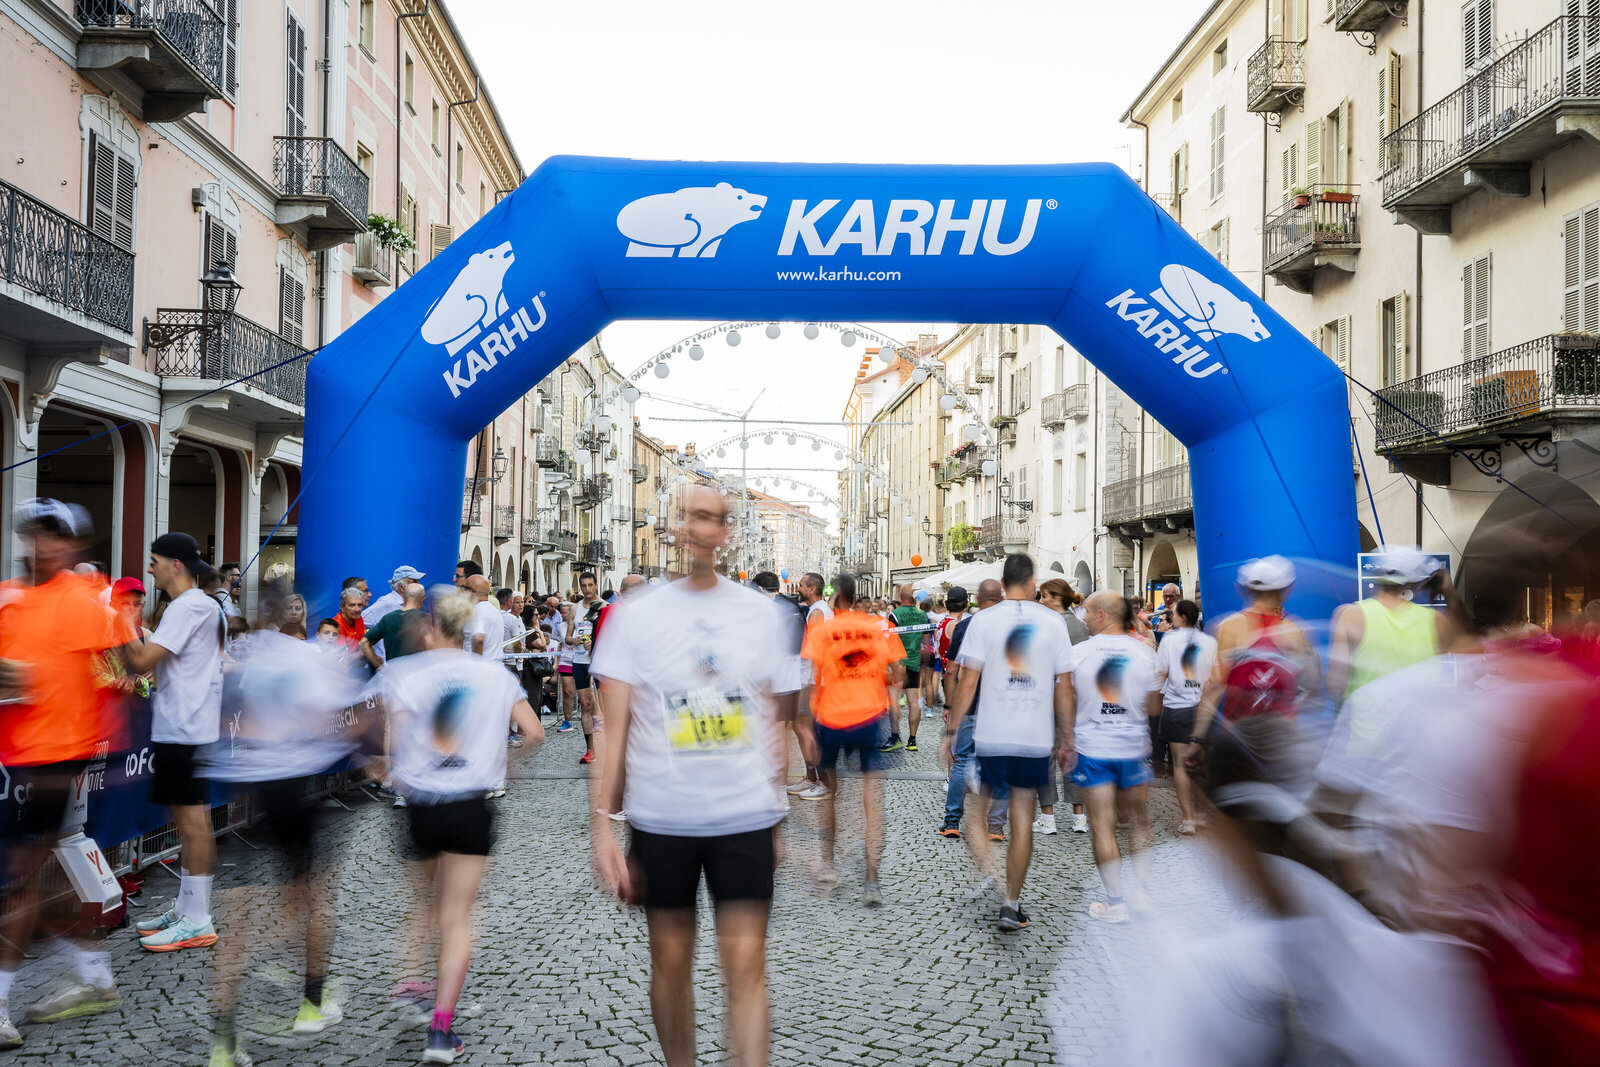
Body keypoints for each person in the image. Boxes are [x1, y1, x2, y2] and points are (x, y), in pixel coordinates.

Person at [592, 486, 793, 1067]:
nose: (696, 528)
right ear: (674, 528)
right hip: (663, 818)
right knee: (671, 965)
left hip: (743, 815)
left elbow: (771, 721)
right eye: (687, 516)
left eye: (708, 518)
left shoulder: (761, 615)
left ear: (725, 532)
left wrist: (776, 813)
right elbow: (613, 731)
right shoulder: (635, 615)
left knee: (746, 966)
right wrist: (602, 827)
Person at [379, 589, 545, 1064]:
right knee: (458, 917)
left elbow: (395, 741)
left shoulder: (405, 673)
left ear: (432, 628)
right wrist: (508, 763)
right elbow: (534, 732)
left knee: (423, 904)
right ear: (469, 629)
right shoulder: (493, 675)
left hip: (421, 805)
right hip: (471, 805)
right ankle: (440, 1028)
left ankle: (410, 982)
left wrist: (396, 770)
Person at [202, 584, 364, 1066]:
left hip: (248, 792)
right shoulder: (304, 658)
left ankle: (223, 1044)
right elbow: (331, 718)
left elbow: (230, 721)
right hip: (292, 790)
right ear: (294, 615)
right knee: (316, 902)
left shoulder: (246, 656)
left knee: (237, 922)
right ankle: (311, 1004)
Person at [0, 501, 131, 1045]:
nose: (42, 545)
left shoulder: (81, 599)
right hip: (22, 757)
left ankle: (1, 1007)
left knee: (22, 881)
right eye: (34, 534)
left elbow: (119, 669)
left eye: (54, 536)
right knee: (50, 875)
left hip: (55, 761)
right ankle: (95, 977)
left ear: (74, 544)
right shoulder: (11, 600)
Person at [942, 556, 1074, 932]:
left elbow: (967, 681)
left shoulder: (983, 620)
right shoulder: (1053, 622)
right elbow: (1065, 686)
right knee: (1022, 822)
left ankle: (990, 872)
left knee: (975, 817)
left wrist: (951, 731)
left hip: (992, 734)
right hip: (1034, 737)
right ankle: (1010, 903)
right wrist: (1068, 736)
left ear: (1002, 583)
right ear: (1032, 582)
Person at [118, 532, 227, 952]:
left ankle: (197, 919)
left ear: (175, 565)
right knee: (192, 823)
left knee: (193, 825)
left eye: (154, 561)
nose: (150, 569)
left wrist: (122, 622)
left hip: (184, 727)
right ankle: (187, 908)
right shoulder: (201, 605)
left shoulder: (188, 606)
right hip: (189, 724)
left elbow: (142, 660)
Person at [800, 572, 904, 903]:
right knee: (871, 801)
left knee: (832, 796)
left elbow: (813, 680)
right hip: (869, 718)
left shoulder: (822, 630)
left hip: (831, 718)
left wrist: (809, 726)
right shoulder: (876, 627)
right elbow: (897, 672)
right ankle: (872, 880)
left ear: (836, 597)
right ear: (854, 595)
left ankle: (829, 863)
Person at [1067, 591, 1160, 923]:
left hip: (1093, 749)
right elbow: (1154, 707)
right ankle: (1142, 893)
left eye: (1087, 612)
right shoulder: (1145, 653)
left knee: (1102, 826)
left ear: (1102, 615)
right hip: (1133, 747)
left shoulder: (1078, 654)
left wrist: (1066, 738)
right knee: (1139, 822)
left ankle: (1116, 902)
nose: (1084, 618)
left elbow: (1066, 702)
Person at [1326, 544, 1451, 704]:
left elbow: (1335, 685)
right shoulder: (1436, 620)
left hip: (1367, 718)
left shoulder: (1350, 615)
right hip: (1421, 718)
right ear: (1414, 582)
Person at [938, 583, 1009, 842]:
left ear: (977, 599)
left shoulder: (966, 626)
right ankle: (995, 827)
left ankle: (952, 822)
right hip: (1002, 705)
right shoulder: (1011, 627)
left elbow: (951, 670)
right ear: (1001, 599)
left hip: (970, 705)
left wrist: (949, 705)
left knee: (962, 761)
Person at [1150, 598, 1217, 835]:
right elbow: (1215, 678)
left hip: (1176, 707)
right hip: (1202, 708)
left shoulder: (1169, 640)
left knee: (1179, 765)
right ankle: (1201, 814)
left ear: (1181, 617)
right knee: (1201, 763)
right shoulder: (1210, 641)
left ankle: (1188, 819)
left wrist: (1151, 698)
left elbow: (1161, 672)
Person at [1035, 577, 1090, 835]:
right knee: (1072, 753)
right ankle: (1079, 817)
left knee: (1045, 757)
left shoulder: (1045, 625)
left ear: (1056, 598)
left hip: (1047, 697)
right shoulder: (1080, 625)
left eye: (1044, 596)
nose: (1040, 600)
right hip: (1075, 698)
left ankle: (1048, 818)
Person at [787, 571, 832, 799]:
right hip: (811, 679)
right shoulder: (818, 610)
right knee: (801, 727)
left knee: (807, 729)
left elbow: (819, 651)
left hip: (813, 680)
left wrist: (815, 684)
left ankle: (823, 782)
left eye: (802, 585)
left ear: (812, 589)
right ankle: (812, 777)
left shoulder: (817, 613)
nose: (798, 589)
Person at [883, 584, 929, 752]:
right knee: (913, 702)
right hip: (914, 662)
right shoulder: (922, 614)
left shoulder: (895, 614)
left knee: (893, 700)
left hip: (897, 662)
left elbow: (889, 638)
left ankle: (895, 737)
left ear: (900, 598)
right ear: (914, 598)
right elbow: (926, 641)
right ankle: (912, 740)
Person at [565, 572, 604, 765]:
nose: (587, 589)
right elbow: (567, 637)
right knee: (586, 705)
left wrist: (595, 643)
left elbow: (612, 636)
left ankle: (612, 747)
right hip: (580, 661)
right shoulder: (575, 608)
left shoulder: (605, 607)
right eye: (583, 586)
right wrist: (574, 640)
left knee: (606, 706)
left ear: (596, 585)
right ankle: (590, 749)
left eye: (590, 585)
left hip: (601, 662)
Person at [359, 581, 430, 669]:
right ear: (423, 599)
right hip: (418, 672)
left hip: (393, 674)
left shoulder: (387, 618)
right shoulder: (424, 619)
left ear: (403, 597)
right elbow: (431, 645)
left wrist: (380, 668)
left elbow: (364, 643)